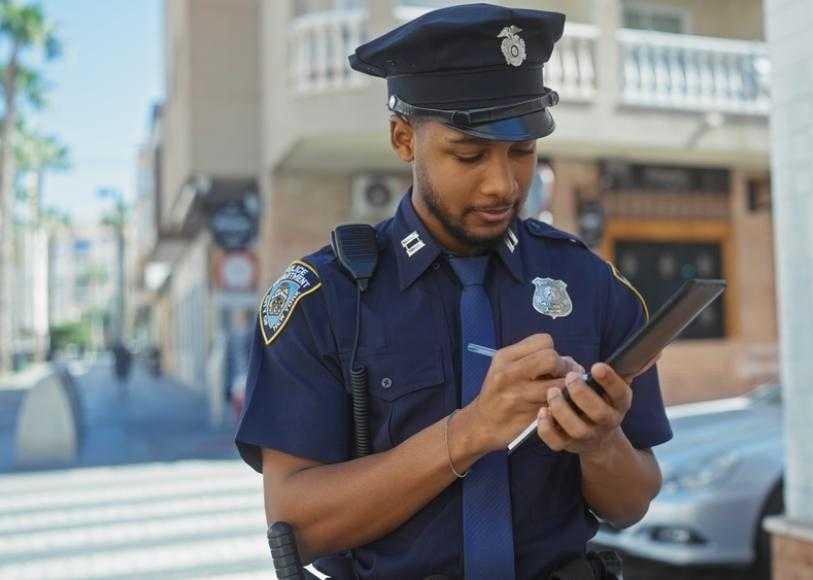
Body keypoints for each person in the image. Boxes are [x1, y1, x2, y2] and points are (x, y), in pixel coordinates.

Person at [235, 4, 672, 579]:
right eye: (468, 154)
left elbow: (632, 502)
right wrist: (469, 432)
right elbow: (296, 523)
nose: (503, 184)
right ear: (402, 139)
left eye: (522, 152)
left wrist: (598, 443)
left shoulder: (591, 286)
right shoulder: (323, 301)